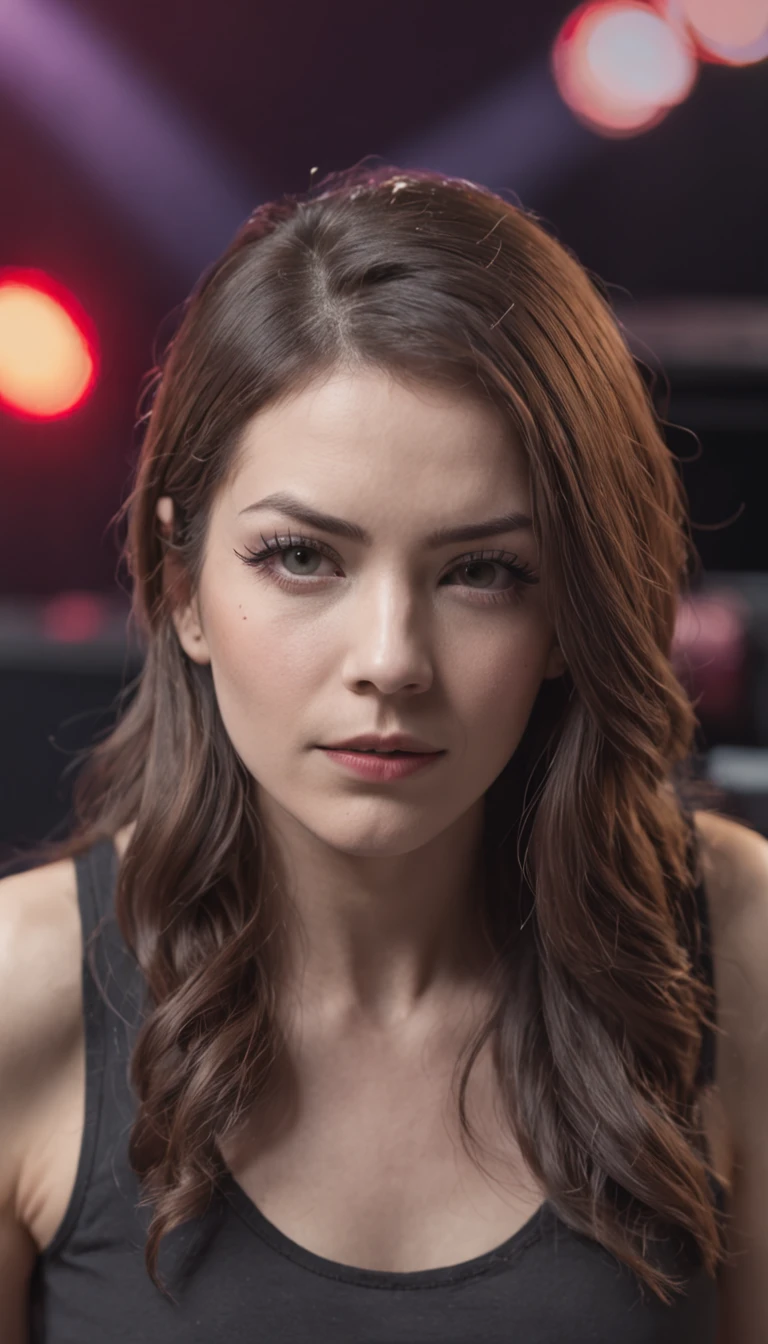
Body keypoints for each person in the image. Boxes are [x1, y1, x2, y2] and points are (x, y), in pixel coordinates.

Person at [1, 163, 766, 1343]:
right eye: (303, 557)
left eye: (482, 571)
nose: (392, 659)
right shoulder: (19, 997)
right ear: (181, 584)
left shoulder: (738, 946)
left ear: (570, 610)